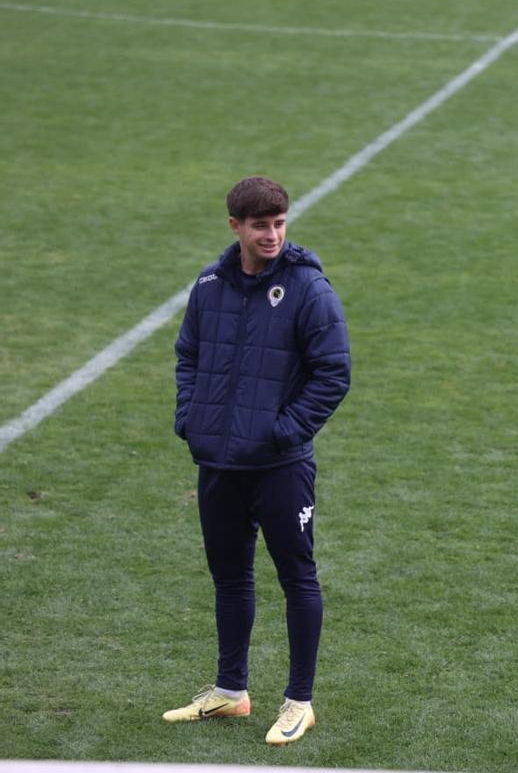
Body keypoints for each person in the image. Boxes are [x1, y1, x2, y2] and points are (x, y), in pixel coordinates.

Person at [166, 176, 351, 746]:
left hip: (279, 467)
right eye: (260, 225)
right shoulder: (209, 285)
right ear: (236, 227)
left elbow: (333, 373)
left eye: (279, 223)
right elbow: (188, 355)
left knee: (298, 577)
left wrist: (282, 433)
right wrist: (190, 417)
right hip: (219, 462)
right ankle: (231, 691)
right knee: (229, 576)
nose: (272, 234)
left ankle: (299, 702)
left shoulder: (308, 288)